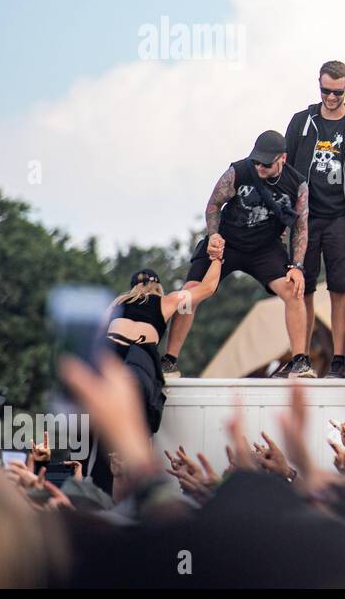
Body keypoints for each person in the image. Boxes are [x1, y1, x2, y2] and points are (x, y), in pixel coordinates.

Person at [161, 130, 311, 377]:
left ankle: (300, 362)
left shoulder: (297, 184)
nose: (260, 167)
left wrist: (297, 266)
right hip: (228, 242)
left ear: (282, 158)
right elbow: (213, 205)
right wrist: (214, 235)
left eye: (266, 164)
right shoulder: (238, 171)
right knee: (189, 292)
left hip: (265, 248)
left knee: (293, 290)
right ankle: (169, 360)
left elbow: (301, 228)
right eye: (257, 162)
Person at [284, 60, 345, 378]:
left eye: (337, 92)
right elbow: (285, 169)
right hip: (305, 218)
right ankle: (302, 356)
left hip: (342, 217)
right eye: (325, 90)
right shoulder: (302, 121)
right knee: (301, 288)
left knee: (340, 289)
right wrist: (285, 215)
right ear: (319, 85)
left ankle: (339, 359)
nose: (331, 97)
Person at [96, 260, 225, 493]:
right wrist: (218, 259)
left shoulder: (116, 303)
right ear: (158, 287)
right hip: (139, 357)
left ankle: (102, 496)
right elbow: (208, 287)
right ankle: (140, 496)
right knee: (140, 434)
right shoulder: (167, 301)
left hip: (112, 356)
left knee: (107, 434)